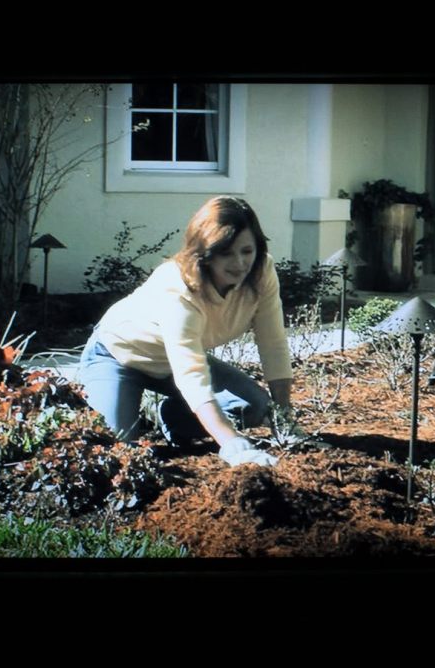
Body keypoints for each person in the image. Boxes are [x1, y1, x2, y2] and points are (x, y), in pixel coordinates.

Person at [77, 197, 292, 467]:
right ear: (205, 252)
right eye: (226, 252)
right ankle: (124, 406)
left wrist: (286, 422)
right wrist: (233, 444)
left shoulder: (262, 272)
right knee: (120, 453)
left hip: (172, 361)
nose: (239, 263)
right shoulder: (177, 288)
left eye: (246, 251)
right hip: (118, 356)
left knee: (257, 407)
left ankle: (172, 418)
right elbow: (192, 376)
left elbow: (273, 343)